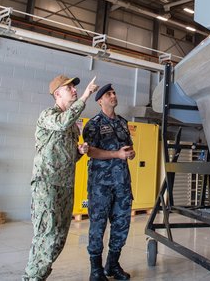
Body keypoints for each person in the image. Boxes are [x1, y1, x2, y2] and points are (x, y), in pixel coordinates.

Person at [23, 74, 98, 281]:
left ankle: (39, 276)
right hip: (46, 184)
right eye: (70, 88)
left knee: (58, 238)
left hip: (65, 185)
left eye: (75, 88)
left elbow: (67, 157)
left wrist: (80, 152)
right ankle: (31, 278)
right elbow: (63, 123)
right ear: (57, 94)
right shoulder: (49, 115)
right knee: (46, 236)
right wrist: (85, 96)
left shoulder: (73, 126)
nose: (74, 90)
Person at [82, 84, 136, 281]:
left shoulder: (122, 123)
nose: (113, 95)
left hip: (122, 182)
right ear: (100, 101)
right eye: (108, 94)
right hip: (100, 185)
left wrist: (130, 154)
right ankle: (95, 270)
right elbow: (91, 151)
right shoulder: (93, 124)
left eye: (114, 92)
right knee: (97, 225)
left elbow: (128, 148)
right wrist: (116, 154)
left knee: (122, 224)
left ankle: (112, 265)